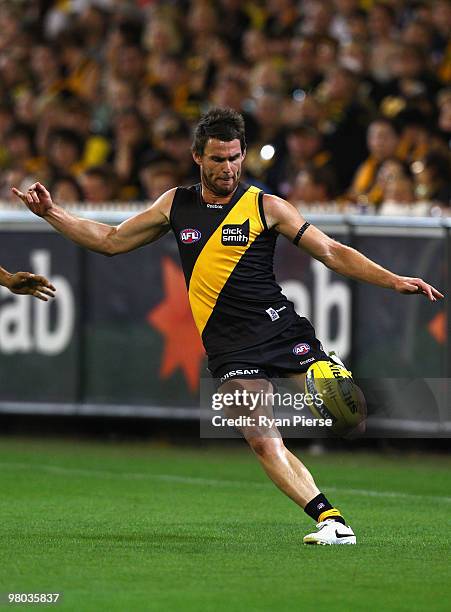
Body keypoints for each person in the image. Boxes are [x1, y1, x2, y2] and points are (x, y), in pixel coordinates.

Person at [12, 108, 443, 545]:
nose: (228, 167)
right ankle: (331, 520)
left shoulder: (265, 206)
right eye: (218, 159)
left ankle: (325, 370)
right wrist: (52, 214)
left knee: (351, 420)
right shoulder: (175, 204)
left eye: (235, 157)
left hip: (281, 331)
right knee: (258, 437)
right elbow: (109, 240)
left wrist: (393, 279)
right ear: (198, 157)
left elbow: (331, 251)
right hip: (230, 348)